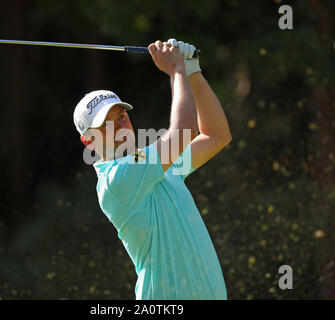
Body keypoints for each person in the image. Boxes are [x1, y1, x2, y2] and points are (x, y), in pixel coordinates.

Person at [73, 38, 232, 299]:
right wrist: (177, 70)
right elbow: (183, 133)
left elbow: (217, 135)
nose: (121, 125)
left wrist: (193, 72)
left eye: (121, 116)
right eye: (106, 124)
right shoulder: (117, 180)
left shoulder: (158, 166)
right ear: (89, 140)